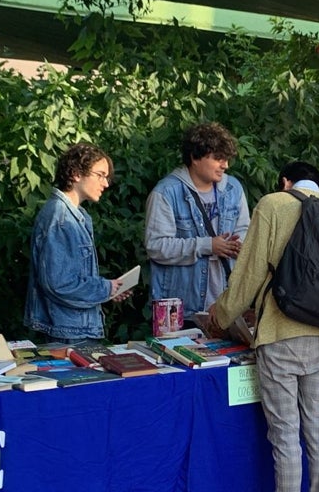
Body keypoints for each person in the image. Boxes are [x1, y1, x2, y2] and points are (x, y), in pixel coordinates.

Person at [208, 160, 319, 492]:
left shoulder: (274, 204)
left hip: (281, 334)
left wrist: (221, 316)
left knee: (285, 435)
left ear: (285, 181)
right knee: (317, 428)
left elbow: (248, 274)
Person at [24, 142, 129, 344]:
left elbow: (71, 277)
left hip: (74, 329)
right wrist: (105, 288)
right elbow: (59, 284)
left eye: (107, 177)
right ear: (75, 173)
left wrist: (109, 290)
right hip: (69, 333)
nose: (106, 184)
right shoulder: (60, 217)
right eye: (100, 175)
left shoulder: (75, 215)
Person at [145, 122, 250, 314]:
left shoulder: (233, 188)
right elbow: (156, 246)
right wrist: (208, 246)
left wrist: (240, 245)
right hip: (178, 309)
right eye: (218, 158)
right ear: (195, 157)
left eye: (226, 159)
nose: (225, 165)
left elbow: (244, 229)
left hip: (224, 306)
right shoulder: (166, 193)